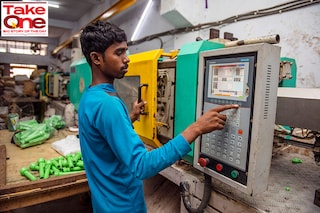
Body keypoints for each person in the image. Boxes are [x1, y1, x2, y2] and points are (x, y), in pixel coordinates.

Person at [78, 20, 239, 213]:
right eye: (118, 53)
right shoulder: (108, 104)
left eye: (125, 51)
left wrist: (130, 119)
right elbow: (142, 165)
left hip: (104, 204)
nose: (127, 58)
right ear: (96, 58)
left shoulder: (90, 97)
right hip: (124, 207)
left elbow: (104, 137)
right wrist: (196, 128)